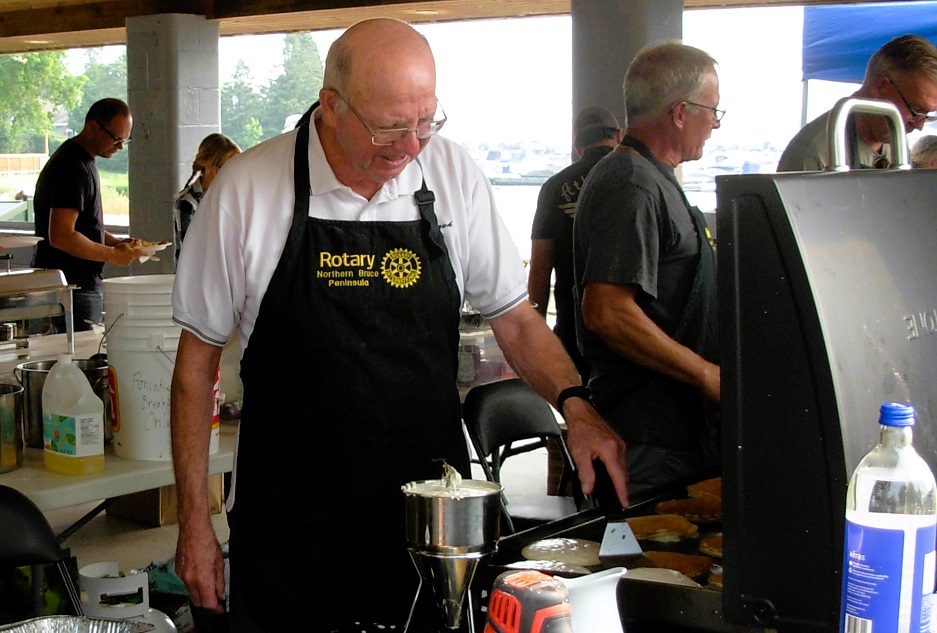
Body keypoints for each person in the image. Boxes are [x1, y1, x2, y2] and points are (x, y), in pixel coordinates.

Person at [169, 17, 628, 633]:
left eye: (426, 121)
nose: (411, 145)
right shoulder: (247, 191)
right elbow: (194, 367)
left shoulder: (452, 174)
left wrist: (576, 405)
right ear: (331, 105)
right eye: (390, 127)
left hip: (431, 520)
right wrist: (194, 524)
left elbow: (516, 320)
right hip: (291, 518)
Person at [573, 41, 721, 497]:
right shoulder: (631, 183)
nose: (715, 124)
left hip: (676, 433)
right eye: (712, 111)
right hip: (647, 438)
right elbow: (606, 311)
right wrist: (705, 373)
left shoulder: (655, 178)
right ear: (680, 113)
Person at [32, 98, 144, 331]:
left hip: (76, 286)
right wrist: (113, 255)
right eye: (116, 139)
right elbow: (61, 235)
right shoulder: (71, 167)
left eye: (125, 140)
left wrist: (115, 242)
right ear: (93, 127)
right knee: (80, 352)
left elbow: (84, 226)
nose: (120, 147)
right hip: (72, 289)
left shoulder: (81, 160)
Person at [528, 105, 622, 382]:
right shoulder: (636, 181)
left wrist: (536, 337)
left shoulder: (554, 187)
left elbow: (540, 269)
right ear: (619, 136)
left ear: (577, 146)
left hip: (573, 328)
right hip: (629, 332)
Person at [778, 34, 937, 172]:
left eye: (926, 115)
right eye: (916, 110)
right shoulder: (815, 154)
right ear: (882, 86)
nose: (919, 126)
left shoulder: (896, 149)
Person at [173, 133, 241, 266]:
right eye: (230, 168)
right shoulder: (187, 202)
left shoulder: (231, 198)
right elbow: (192, 252)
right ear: (212, 168)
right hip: (194, 276)